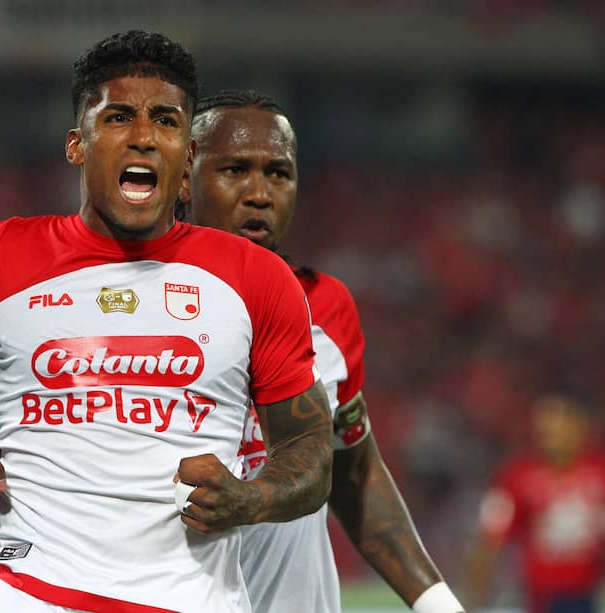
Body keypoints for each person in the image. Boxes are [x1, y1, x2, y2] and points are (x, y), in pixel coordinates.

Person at [0, 31, 334, 613]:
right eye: (119, 117)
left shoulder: (256, 279)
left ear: (188, 156)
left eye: (166, 121)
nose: (144, 136)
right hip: (34, 595)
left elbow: (308, 448)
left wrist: (252, 498)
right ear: (77, 145)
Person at [180, 89, 464, 613]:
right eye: (235, 170)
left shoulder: (326, 308)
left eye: (279, 173)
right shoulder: (130, 309)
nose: (259, 193)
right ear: (183, 179)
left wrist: (440, 605)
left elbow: (354, 474)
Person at [465, 393, 605, 613]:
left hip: (588, 595)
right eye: (543, 426)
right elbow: (488, 541)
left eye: (557, 423)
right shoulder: (516, 477)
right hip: (540, 598)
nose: (548, 432)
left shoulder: (599, 472)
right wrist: (472, 599)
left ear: (580, 425)